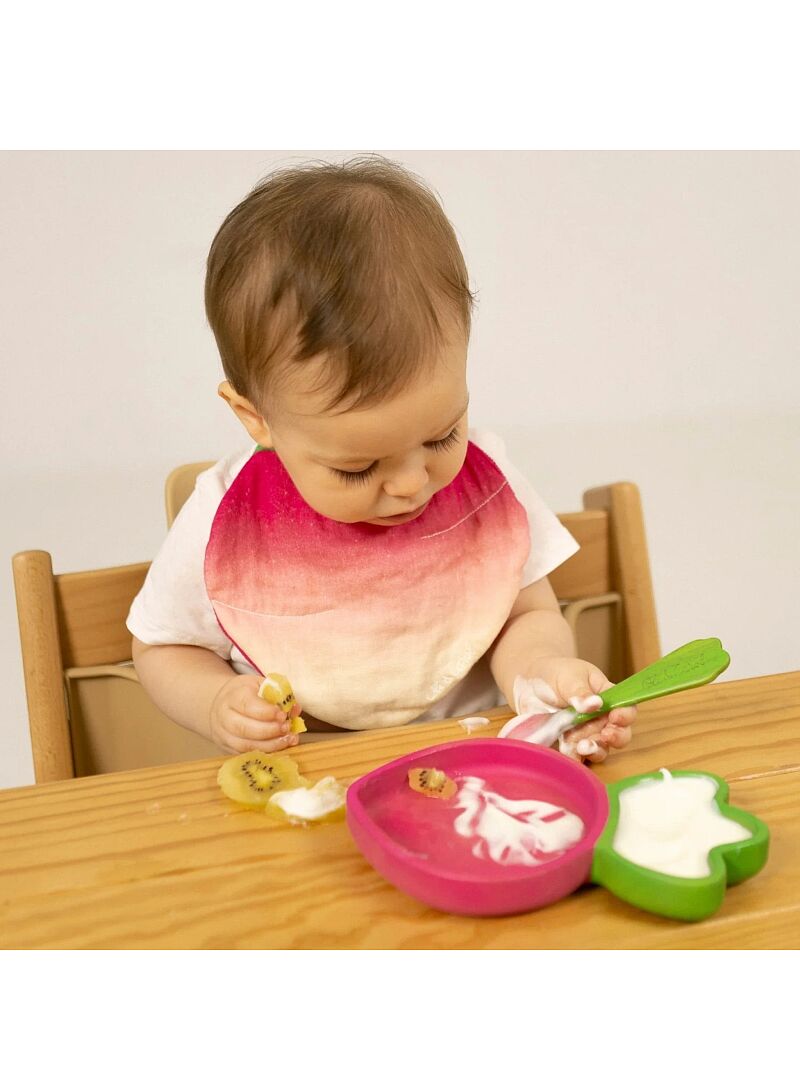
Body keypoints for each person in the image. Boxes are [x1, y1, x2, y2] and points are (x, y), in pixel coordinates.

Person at [127, 155, 636, 763]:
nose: (412, 483)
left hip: (481, 763)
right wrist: (216, 704)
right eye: (357, 468)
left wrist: (541, 671)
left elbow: (526, 610)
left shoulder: (486, 482)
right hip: (317, 778)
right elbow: (162, 648)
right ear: (256, 418)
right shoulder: (224, 522)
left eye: (443, 435)